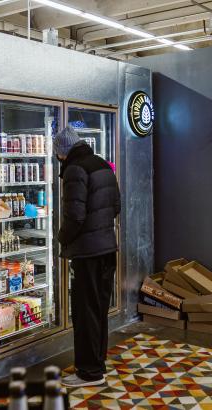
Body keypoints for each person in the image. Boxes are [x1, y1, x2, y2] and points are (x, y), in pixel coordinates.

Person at [54, 126, 121, 388]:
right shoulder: (101, 164)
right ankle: (97, 365)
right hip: (106, 249)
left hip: (87, 254)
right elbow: (116, 206)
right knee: (98, 310)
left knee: (84, 313)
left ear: (63, 151)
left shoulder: (74, 170)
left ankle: (88, 373)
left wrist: (62, 238)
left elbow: (75, 216)